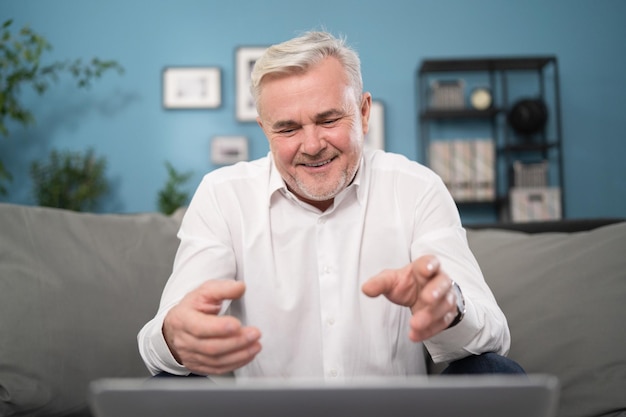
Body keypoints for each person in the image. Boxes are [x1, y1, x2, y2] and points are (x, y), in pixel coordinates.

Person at [138, 30, 521, 378]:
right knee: (166, 384)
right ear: (264, 130)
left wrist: (449, 310)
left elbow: (493, 337)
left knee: (495, 372)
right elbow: (157, 344)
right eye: (288, 128)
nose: (312, 145)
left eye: (328, 119)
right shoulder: (223, 195)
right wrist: (176, 335)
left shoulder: (416, 188)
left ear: (364, 112)